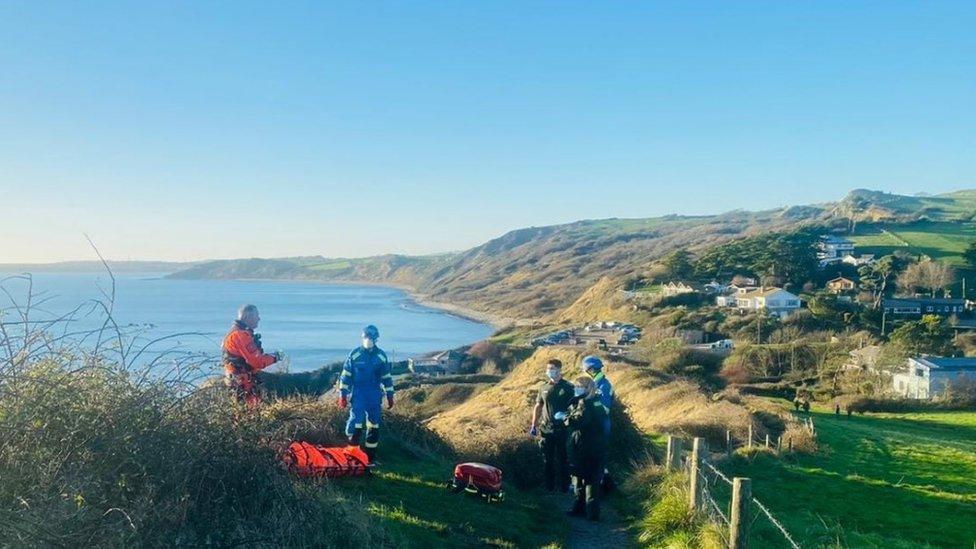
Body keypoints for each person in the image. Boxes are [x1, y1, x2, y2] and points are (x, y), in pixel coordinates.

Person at [337, 325, 394, 463]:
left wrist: (390, 395)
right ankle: (353, 455)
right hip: (359, 394)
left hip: (374, 395)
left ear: (376, 339)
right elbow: (346, 376)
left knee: (374, 425)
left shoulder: (381, 356)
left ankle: (370, 458)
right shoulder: (355, 354)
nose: (368, 340)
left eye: (370, 338)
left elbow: (387, 377)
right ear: (363, 337)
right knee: (355, 423)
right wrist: (342, 395)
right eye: (366, 337)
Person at [565, 375, 609, 521]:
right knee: (593, 479)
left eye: (579, 386)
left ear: (587, 388)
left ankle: (582, 509)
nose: (576, 389)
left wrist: (565, 418)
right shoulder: (597, 402)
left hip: (584, 447)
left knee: (580, 478)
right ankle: (592, 511)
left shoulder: (585, 403)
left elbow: (579, 423)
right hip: (598, 447)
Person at [221, 304, 281, 407]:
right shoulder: (240, 335)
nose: (259, 319)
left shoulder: (234, 333)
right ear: (248, 317)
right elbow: (258, 362)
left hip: (240, 381)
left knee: (243, 414)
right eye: (256, 315)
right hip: (242, 384)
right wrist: (275, 357)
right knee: (246, 415)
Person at [529, 359, 574, 492]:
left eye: (552, 368)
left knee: (563, 459)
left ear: (560, 370)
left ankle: (565, 486)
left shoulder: (568, 387)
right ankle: (550, 487)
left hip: (563, 430)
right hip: (546, 429)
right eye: (548, 368)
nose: (549, 371)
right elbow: (538, 406)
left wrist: (569, 418)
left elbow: (576, 407)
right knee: (547, 460)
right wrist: (534, 425)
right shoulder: (543, 387)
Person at [582, 355, 614, 490]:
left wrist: (591, 400)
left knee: (598, 457)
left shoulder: (605, 385)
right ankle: (585, 483)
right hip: (588, 427)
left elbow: (605, 408)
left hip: (600, 427)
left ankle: (599, 484)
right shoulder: (589, 384)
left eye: (586, 370)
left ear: (591, 369)